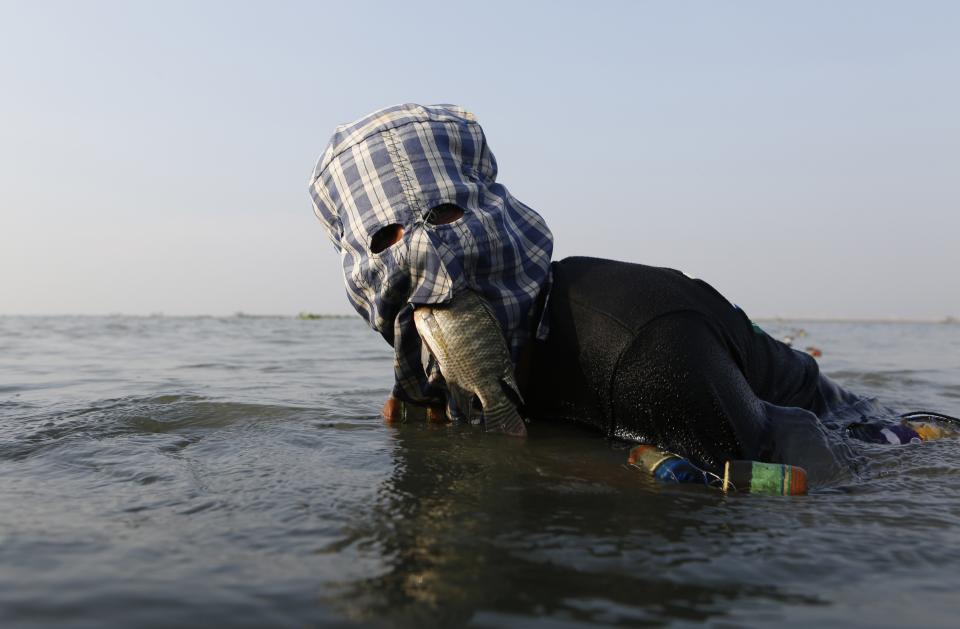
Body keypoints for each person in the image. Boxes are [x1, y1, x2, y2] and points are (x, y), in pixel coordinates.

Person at [309, 103, 951, 485]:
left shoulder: (645, 350)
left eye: (445, 215)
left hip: (854, 435)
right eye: (385, 238)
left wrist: (580, 472)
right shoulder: (429, 348)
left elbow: (775, 485)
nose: (425, 254)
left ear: (498, 210)